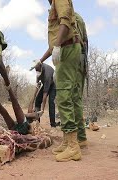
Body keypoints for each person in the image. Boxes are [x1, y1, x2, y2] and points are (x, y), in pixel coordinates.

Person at [33, 0, 86, 162]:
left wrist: (57, 47)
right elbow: (55, 41)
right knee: (67, 96)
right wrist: (41, 60)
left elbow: (64, 22)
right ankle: (68, 140)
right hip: (67, 48)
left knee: (63, 96)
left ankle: (73, 147)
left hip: (67, 49)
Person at [33, 62, 58, 128]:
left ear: (41, 67)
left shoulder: (47, 75)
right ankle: (37, 122)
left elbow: (45, 95)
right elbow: (37, 83)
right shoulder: (38, 70)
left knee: (51, 103)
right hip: (46, 84)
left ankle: (53, 125)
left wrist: (42, 109)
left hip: (53, 85)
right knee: (37, 100)